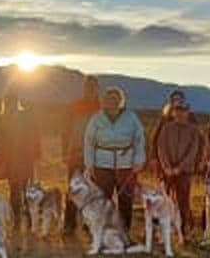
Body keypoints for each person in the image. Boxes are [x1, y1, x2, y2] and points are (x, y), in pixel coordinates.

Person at [84, 86, 146, 231]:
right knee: (102, 199)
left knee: (125, 198)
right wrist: (89, 164)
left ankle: (124, 230)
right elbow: (89, 141)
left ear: (121, 101)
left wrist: (138, 160)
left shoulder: (131, 117)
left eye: (115, 99)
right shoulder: (97, 118)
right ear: (104, 101)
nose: (111, 102)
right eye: (108, 99)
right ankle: (102, 229)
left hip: (126, 164)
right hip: (102, 163)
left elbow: (139, 139)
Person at [61, 75, 100, 235]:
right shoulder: (74, 107)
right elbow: (65, 130)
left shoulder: (102, 108)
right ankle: (69, 224)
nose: (90, 89)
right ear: (84, 88)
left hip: (95, 156)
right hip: (75, 153)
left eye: (93, 87)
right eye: (87, 86)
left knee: (93, 190)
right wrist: (65, 151)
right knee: (74, 188)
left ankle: (89, 223)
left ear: (97, 89)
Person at [0, 89, 41, 231]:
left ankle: (29, 219)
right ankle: (17, 219)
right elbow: (0, 142)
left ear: (17, 103)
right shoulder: (2, 119)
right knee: (14, 190)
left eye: (13, 102)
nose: (11, 105)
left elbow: (35, 135)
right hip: (11, 160)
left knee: (27, 190)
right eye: (9, 103)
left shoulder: (26, 117)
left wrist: (36, 153)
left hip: (25, 158)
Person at [157, 97, 200, 235]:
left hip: (185, 171)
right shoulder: (166, 129)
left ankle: (184, 231)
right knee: (163, 200)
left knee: (183, 201)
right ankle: (162, 231)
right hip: (167, 170)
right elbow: (161, 148)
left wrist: (180, 168)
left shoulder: (193, 130)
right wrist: (166, 167)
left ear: (188, 112)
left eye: (184, 110)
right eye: (177, 110)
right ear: (172, 112)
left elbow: (193, 151)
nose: (180, 113)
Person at [149, 88, 199, 174]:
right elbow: (156, 139)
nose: (177, 101)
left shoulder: (191, 118)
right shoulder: (165, 118)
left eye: (179, 99)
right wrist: (153, 156)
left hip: (185, 162)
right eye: (175, 99)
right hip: (165, 160)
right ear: (171, 101)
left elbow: (197, 141)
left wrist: (198, 159)